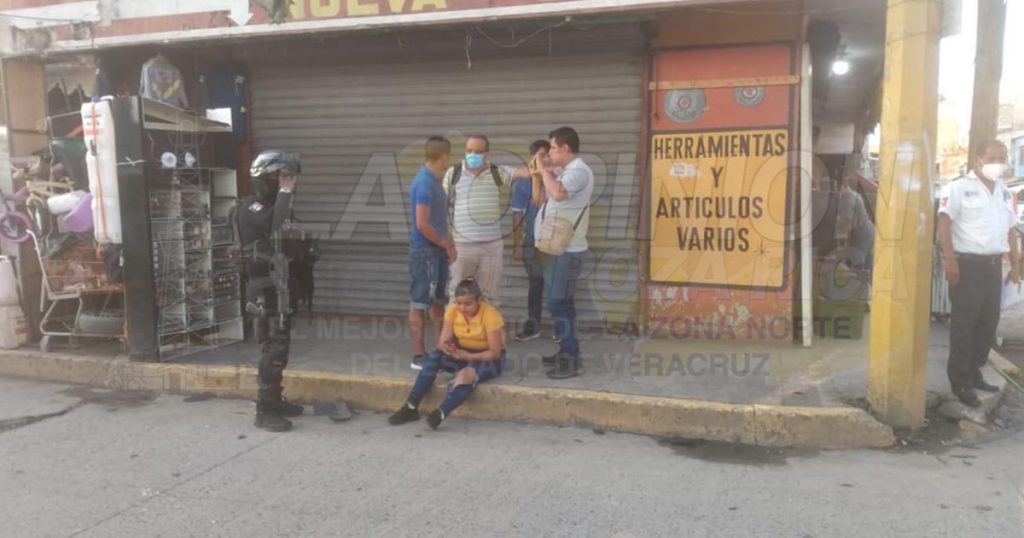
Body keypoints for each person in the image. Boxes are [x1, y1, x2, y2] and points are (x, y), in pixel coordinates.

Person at [938, 140, 1021, 407]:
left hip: (994, 266)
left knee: (987, 323)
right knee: (965, 325)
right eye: (992, 157)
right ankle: (960, 381)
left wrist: (1016, 265)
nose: (998, 162)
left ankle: (974, 372)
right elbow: (944, 222)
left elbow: (1010, 230)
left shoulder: (1004, 193)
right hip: (967, 266)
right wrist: (950, 260)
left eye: (1002, 157)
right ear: (978, 160)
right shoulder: (959, 187)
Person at [388, 278, 506, 429]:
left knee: (467, 375)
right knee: (434, 357)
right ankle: (411, 406)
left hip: (488, 359)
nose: (462, 308)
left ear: (479, 300)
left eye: (468, 304)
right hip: (462, 353)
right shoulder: (452, 310)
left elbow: (495, 353)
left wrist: (467, 356)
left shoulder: (491, 315)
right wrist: (449, 348)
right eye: (459, 303)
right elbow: (441, 343)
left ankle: (441, 412)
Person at [240, 150, 303, 432]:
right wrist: (286, 193)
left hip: (279, 284)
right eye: (282, 178)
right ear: (267, 179)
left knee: (282, 346)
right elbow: (273, 225)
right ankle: (265, 410)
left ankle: (275, 400)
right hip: (263, 286)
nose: (288, 183)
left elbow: (288, 236)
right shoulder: (251, 207)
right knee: (273, 348)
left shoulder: (277, 205)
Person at [442, 135, 529, 307]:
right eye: (469, 150)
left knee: (490, 296)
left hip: (491, 247)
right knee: (456, 294)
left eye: (478, 151)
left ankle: (488, 333)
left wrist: (540, 162)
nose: (473, 154)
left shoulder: (497, 172)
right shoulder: (454, 173)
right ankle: (455, 333)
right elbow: (441, 207)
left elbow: (525, 172)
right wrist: (446, 239)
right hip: (462, 246)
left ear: (486, 154)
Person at [535, 127, 593, 379]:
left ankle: (571, 359)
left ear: (565, 148)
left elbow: (558, 193)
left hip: (568, 251)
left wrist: (541, 165)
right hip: (558, 249)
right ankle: (567, 350)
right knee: (562, 303)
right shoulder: (570, 171)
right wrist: (546, 170)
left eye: (553, 149)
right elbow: (553, 187)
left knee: (558, 302)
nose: (550, 153)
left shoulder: (579, 170)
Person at [409, 136, 456, 370]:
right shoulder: (424, 183)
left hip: (436, 251)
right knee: (419, 302)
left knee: (437, 303)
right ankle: (419, 355)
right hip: (425, 251)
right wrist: (445, 244)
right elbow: (422, 224)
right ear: (444, 156)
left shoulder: (435, 181)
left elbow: (437, 220)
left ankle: (440, 349)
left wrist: (448, 243)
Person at [511, 140, 551, 341]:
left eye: (548, 155)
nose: (546, 159)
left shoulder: (558, 178)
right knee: (535, 285)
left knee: (557, 285)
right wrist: (517, 244)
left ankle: (562, 328)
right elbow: (517, 215)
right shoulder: (523, 183)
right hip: (531, 242)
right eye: (542, 155)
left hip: (555, 243)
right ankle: (533, 326)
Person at [835, 173, 875, 269]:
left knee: (858, 260)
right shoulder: (853, 195)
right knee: (868, 261)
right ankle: (868, 279)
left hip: (862, 233)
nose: (837, 192)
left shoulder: (849, 199)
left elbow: (849, 223)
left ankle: (859, 278)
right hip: (869, 231)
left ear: (843, 186)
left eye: (837, 189)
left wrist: (843, 239)